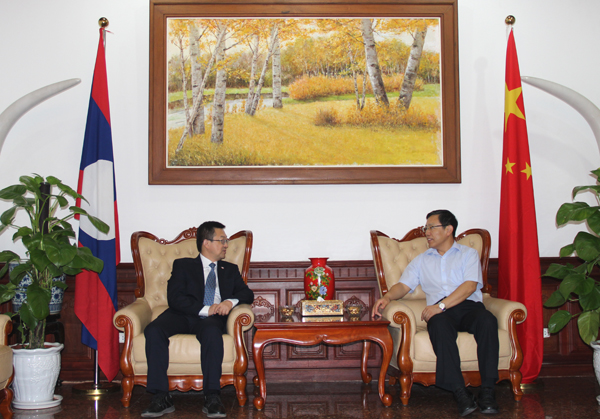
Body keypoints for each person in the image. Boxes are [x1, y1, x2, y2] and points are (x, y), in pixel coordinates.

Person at [372, 210, 499, 417]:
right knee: (438, 325)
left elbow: (469, 287)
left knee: (487, 320)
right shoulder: (422, 260)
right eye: (426, 228)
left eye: (431, 227)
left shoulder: (468, 254)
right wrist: (387, 297)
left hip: (467, 307)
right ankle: (460, 393)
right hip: (441, 314)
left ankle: (488, 391)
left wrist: (440, 306)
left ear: (449, 230)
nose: (427, 232)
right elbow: (403, 286)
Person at [142, 221, 254, 418]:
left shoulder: (229, 269)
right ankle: (161, 396)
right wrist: (205, 309)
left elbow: (247, 294)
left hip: (212, 320)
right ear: (206, 243)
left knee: (212, 332)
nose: (226, 245)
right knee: (154, 330)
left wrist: (229, 302)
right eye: (222, 240)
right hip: (182, 314)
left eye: (226, 241)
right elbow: (175, 298)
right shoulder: (183, 265)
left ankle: (212, 396)